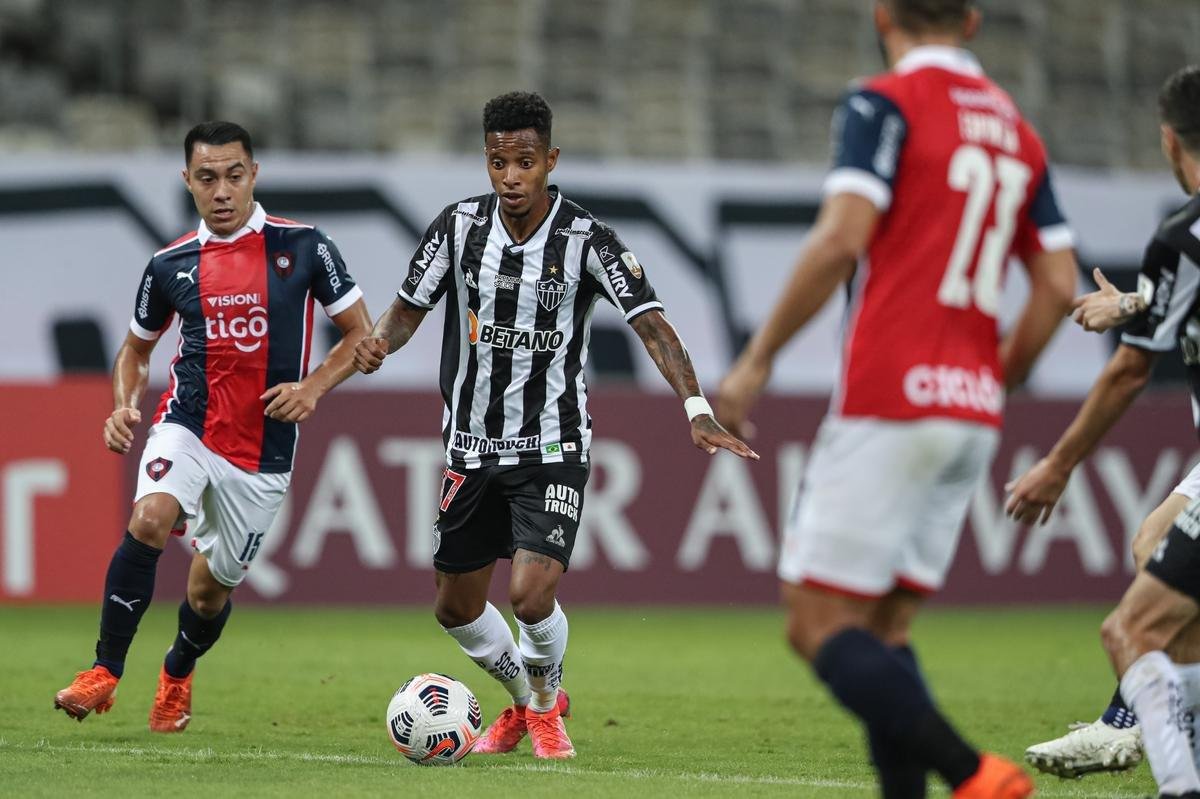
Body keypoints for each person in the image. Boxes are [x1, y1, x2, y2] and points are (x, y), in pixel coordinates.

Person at [717, 1, 1078, 797]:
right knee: (885, 629)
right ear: (974, 21)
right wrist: (999, 371)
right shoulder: (1019, 130)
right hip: (972, 411)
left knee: (815, 624)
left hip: (892, 399)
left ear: (882, 13)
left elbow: (843, 236)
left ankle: (972, 771)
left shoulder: (883, 101)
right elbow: (1057, 284)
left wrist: (756, 362)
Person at [353, 90, 756, 760]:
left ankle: (544, 709)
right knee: (454, 606)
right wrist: (376, 343)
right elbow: (403, 312)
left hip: (553, 442)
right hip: (471, 446)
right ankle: (525, 698)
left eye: (525, 161)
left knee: (531, 594)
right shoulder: (456, 228)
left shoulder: (587, 239)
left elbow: (652, 326)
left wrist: (697, 407)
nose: (511, 175)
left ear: (551, 160)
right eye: (497, 161)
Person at [53, 121, 371, 732]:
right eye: (206, 178)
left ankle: (176, 671)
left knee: (207, 592)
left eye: (233, 175)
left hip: (264, 452)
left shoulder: (303, 246)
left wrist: (312, 388)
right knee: (148, 517)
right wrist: (123, 404)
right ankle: (104, 672)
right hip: (189, 423)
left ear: (254, 174)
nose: (221, 190)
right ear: (188, 183)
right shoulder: (169, 264)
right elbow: (135, 350)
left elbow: (360, 332)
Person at [1013, 64, 1200, 799]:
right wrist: (1131, 302)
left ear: (1168, 140)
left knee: (1134, 629)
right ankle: (1136, 716)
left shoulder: (1185, 234)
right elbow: (1175, 300)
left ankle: (1148, 737)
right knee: (1154, 541)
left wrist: (1058, 463)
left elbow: (1128, 374)